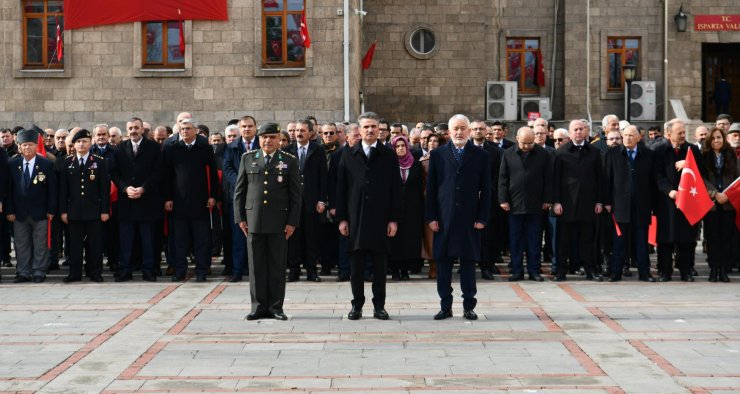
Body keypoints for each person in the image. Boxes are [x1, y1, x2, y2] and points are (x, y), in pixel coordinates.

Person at [336, 112, 401, 321]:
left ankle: (379, 306)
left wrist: (393, 219)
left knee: (380, 267)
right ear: (360, 130)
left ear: (380, 130)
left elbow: (395, 188)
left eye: (374, 127)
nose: (371, 130)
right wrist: (342, 219)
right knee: (356, 267)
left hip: (380, 218)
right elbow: (341, 189)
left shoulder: (389, 154)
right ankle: (357, 305)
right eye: (366, 127)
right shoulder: (349, 154)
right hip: (355, 218)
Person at [426, 114, 490, 321]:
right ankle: (445, 306)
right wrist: (431, 217)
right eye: (455, 128)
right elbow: (432, 189)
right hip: (444, 219)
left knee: (468, 264)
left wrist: (482, 217)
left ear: (469, 131)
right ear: (449, 131)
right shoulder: (438, 155)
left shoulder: (481, 155)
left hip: (469, 219)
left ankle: (469, 306)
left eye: (463, 128)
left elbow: (487, 190)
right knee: (443, 264)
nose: (459, 132)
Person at [234, 122, 301, 321]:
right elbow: (239, 192)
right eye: (264, 137)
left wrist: (292, 222)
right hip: (253, 220)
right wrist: (240, 218)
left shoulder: (288, 160)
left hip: (279, 221)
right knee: (256, 266)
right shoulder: (248, 159)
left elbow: (296, 195)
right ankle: (258, 306)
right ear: (259, 138)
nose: (268, 141)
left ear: (279, 139)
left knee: (277, 265)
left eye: (272, 137)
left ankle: (276, 307)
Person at [163, 119, 219, 282]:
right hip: (178, 202)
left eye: (188, 129)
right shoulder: (172, 148)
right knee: (179, 240)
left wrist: (213, 196)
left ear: (195, 130)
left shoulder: (204, 147)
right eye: (182, 129)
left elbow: (213, 173)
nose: (185, 132)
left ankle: (201, 270)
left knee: (201, 239)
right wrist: (167, 198)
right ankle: (180, 270)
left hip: (200, 201)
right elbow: (167, 175)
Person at [111, 117, 163, 282]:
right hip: (126, 201)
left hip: (147, 201)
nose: (133, 131)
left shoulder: (154, 148)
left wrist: (143, 188)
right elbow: (114, 173)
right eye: (130, 128)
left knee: (148, 239)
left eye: (136, 128)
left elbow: (158, 172)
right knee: (126, 240)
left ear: (142, 130)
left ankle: (149, 270)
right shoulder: (119, 148)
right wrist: (125, 188)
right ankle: (126, 270)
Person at [602, 126, 657, 282]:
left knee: (641, 241)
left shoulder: (648, 155)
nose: (627, 138)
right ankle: (616, 272)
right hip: (620, 205)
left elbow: (653, 181)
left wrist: (652, 204)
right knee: (619, 242)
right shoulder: (612, 154)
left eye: (631, 135)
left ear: (639, 137)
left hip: (641, 205)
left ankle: (644, 272)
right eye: (625, 135)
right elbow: (607, 180)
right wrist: (607, 201)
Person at [653, 119, 705, 282]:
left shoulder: (692, 150)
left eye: (684, 132)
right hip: (667, 200)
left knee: (687, 237)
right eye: (679, 133)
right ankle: (665, 270)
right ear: (669, 134)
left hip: (689, 199)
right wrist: (670, 191)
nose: (683, 135)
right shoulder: (659, 150)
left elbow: (702, 172)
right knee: (666, 237)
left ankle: (686, 270)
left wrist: (689, 163)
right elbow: (657, 175)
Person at [553, 119, 604, 282]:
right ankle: (561, 270)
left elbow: (599, 178)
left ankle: (590, 269)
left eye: (581, 129)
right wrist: (556, 201)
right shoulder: (561, 152)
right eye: (575, 129)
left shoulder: (594, 152)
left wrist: (599, 201)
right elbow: (555, 179)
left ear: (587, 131)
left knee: (588, 240)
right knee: (564, 240)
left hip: (588, 204)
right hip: (566, 204)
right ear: (570, 132)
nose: (578, 132)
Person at [498, 127, 553, 282]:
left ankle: (534, 270)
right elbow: (503, 179)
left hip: (536, 204)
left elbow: (548, 178)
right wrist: (503, 200)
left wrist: (547, 199)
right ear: (517, 138)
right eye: (524, 143)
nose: (527, 146)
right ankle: (517, 271)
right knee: (515, 240)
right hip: (514, 205)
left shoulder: (543, 154)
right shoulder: (508, 154)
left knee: (534, 240)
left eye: (530, 143)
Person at [59, 129, 111, 283]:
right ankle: (74, 273)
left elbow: (104, 189)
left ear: (90, 143)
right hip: (73, 211)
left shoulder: (99, 162)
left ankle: (95, 272)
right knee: (74, 245)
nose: (81, 144)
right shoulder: (67, 162)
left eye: (84, 141)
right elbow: (63, 190)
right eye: (78, 142)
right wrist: (63, 211)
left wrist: (105, 210)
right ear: (74, 145)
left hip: (94, 210)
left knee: (95, 244)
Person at [6, 128, 56, 283]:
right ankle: (23, 271)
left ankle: (39, 271)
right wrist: (9, 210)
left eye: (30, 145)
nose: (27, 147)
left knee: (40, 243)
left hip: (40, 212)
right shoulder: (13, 164)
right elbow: (8, 189)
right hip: (19, 213)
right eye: (24, 145)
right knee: (21, 244)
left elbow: (52, 190)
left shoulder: (46, 164)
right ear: (19, 147)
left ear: (36, 146)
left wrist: (51, 209)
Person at [285, 119, 327, 282]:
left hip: (312, 201)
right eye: (296, 130)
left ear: (311, 133)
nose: (299, 133)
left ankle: (311, 270)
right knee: (293, 238)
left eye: (303, 130)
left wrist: (322, 200)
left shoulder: (318, 150)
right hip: (292, 202)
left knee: (311, 237)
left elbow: (323, 176)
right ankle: (294, 270)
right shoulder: (287, 150)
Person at [222, 115, 259, 281]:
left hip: (257, 198)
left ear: (255, 128)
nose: (246, 129)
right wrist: (242, 183)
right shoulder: (231, 147)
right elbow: (227, 169)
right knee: (238, 236)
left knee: (257, 237)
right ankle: (237, 271)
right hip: (237, 197)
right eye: (243, 126)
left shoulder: (262, 145)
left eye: (250, 126)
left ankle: (254, 271)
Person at [701, 127, 738, 282]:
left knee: (725, 238)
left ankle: (723, 269)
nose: (717, 141)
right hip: (711, 204)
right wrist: (715, 193)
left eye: (719, 138)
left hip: (728, 203)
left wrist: (727, 195)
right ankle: (713, 269)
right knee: (712, 238)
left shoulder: (731, 155)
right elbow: (701, 178)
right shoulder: (704, 156)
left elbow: (735, 177)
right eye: (714, 138)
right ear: (710, 140)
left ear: (724, 139)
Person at [389, 135, 424, 281]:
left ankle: (405, 270)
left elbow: (420, 187)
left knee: (408, 240)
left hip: (412, 209)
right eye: (397, 146)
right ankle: (395, 270)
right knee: (394, 241)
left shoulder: (416, 165)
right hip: (394, 208)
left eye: (403, 146)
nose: (401, 148)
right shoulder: (389, 165)